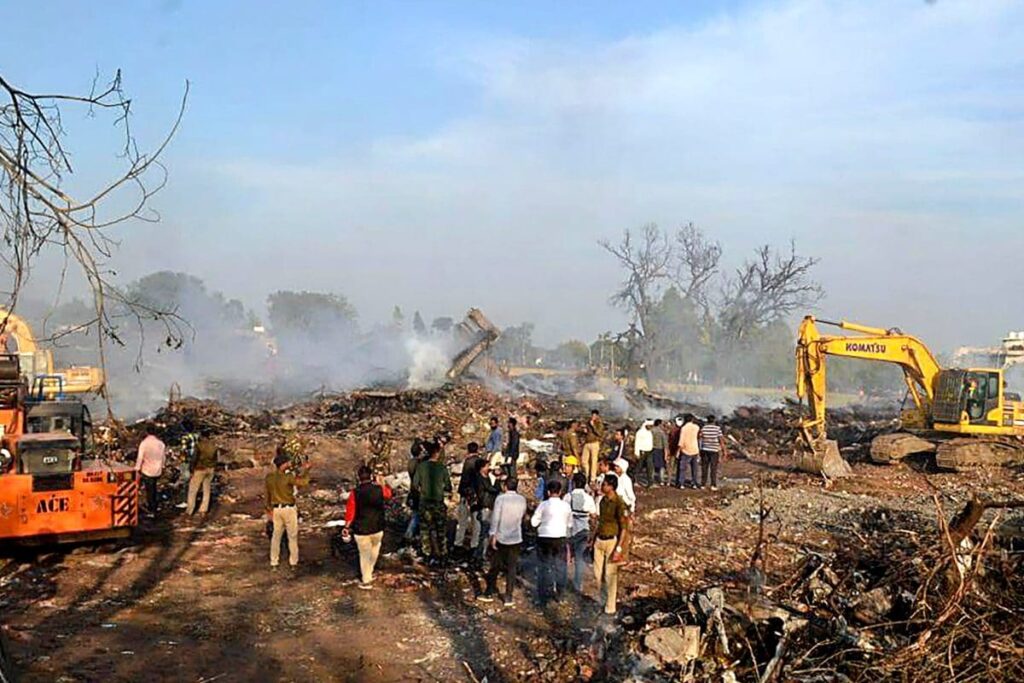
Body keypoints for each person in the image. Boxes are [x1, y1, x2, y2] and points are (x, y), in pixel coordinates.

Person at [481, 477, 527, 607]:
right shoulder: (522, 499)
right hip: (516, 537)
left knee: (495, 566)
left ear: (505, 486)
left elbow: (496, 518)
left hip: (501, 537)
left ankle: (489, 592)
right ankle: (508, 597)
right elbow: (523, 516)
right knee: (511, 568)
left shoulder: (501, 499)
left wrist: (492, 535)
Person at [345, 464, 393, 589]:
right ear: (371, 476)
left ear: (359, 478)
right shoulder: (379, 489)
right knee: (375, 550)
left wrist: (346, 527)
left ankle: (366, 579)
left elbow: (351, 512)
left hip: (361, 529)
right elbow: (388, 495)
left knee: (364, 554)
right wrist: (382, 483)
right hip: (377, 527)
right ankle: (369, 573)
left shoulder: (354, 493)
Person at [589, 473, 629, 616]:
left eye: (604, 484)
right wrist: (593, 539)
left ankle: (610, 608)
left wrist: (619, 548)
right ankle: (602, 600)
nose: (602, 486)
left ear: (611, 487)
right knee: (597, 574)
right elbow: (600, 522)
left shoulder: (619, 503)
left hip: (612, 541)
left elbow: (624, 527)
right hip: (599, 540)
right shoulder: (602, 501)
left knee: (610, 576)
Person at [530, 480, 573, 606]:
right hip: (560, 538)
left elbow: (533, 522)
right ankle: (560, 594)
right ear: (560, 492)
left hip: (544, 538)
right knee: (560, 567)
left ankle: (543, 597)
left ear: (548, 492)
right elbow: (570, 524)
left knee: (544, 567)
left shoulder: (543, 505)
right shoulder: (566, 506)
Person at [265, 453, 311, 569]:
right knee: (292, 537)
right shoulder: (288, 476)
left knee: (276, 538)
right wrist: (307, 470)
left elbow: (267, 496)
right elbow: (303, 482)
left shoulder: (269, 477)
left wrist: (268, 510)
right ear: (283, 464)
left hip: (276, 510)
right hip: (289, 509)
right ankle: (293, 563)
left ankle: (274, 562)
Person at [412, 440, 453, 567]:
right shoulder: (442, 468)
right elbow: (448, 486)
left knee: (425, 530)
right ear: (437, 453)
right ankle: (443, 555)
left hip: (425, 503)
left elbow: (415, 485)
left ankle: (427, 555)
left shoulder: (421, 467)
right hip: (438, 503)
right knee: (441, 530)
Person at [568, 471, 597, 593]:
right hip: (583, 531)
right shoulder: (589, 498)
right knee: (580, 558)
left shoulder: (567, 497)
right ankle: (578, 583)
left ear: (573, 484)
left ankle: (562, 581)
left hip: (569, 531)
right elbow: (594, 516)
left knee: (566, 557)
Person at [455, 443, 482, 553]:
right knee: (476, 522)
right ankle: (474, 544)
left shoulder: (468, 462)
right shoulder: (481, 462)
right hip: (477, 497)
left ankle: (458, 543)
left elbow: (465, 480)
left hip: (466, 496)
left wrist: (463, 493)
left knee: (462, 522)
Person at [186, 430, 219, 516]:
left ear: (202, 436)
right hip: (210, 469)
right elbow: (216, 459)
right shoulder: (214, 446)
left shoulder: (199, 445)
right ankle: (203, 509)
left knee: (193, 490)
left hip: (200, 469)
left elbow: (194, 458)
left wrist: (191, 469)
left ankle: (190, 510)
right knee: (207, 489)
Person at [135, 425, 166, 518]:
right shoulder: (161, 444)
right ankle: (154, 507)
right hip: (157, 471)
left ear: (147, 432)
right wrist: (162, 466)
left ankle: (152, 509)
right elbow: (163, 457)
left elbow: (140, 458)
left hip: (147, 471)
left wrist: (137, 469)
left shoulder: (144, 443)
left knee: (150, 491)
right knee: (154, 489)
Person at [698, 415, 727, 491]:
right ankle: (713, 485)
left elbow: (700, 438)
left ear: (707, 420)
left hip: (704, 450)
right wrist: (724, 451)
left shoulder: (703, 428)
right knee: (713, 468)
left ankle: (703, 484)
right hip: (714, 450)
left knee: (704, 468)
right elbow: (721, 440)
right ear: (714, 421)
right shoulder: (717, 429)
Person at [676, 414, 701, 489]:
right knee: (694, 468)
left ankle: (681, 483)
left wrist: (678, 451)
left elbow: (681, 440)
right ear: (692, 419)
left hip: (685, 449)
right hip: (695, 449)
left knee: (683, 468)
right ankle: (694, 483)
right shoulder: (696, 427)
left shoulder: (683, 428)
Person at [581, 410, 605, 482]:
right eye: (592, 415)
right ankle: (587, 474)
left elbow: (599, 433)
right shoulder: (588, 422)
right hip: (587, 442)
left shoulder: (599, 424)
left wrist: (593, 426)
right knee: (584, 461)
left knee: (593, 461)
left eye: (594, 415)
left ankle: (592, 478)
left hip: (594, 443)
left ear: (597, 416)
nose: (593, 417)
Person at [634, 420, 654, 487]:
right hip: (642, 452)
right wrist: (637, 453)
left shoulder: (649, 432)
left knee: (650, 467)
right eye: (650, 425)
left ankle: (650, 483)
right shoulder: (640, 432)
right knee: (639, 467)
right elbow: (637, 443)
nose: (651, 427)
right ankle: (635, 481)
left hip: (649, 452)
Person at [651, 419, 668, 485]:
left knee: (652, 465)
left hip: (652, 449)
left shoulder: (651, 431)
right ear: (660, 424)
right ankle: (661, 480)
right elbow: (665, 444)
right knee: (661, 466)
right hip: (660, 450)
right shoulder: (662, 432)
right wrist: (666, 454)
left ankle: (651, 479)